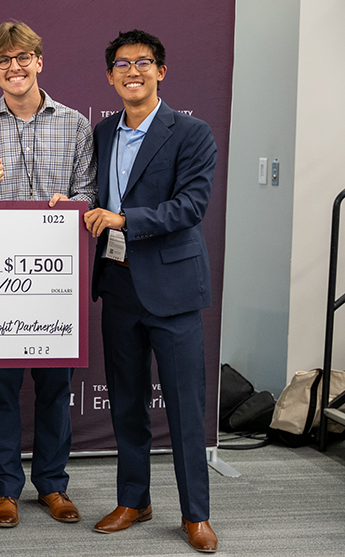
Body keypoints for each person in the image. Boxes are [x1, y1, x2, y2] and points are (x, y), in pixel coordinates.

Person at [83, 29, 218, 553]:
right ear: (110, 74)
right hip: (117, 287)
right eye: (121, 64)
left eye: (143, 63)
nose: (132, 71)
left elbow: (191, 207)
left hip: (174, 289)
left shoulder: (192, 133)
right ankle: (133, 499)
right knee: (127, 402)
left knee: (185, 407)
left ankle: (196, 514)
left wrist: (123, 219)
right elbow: (90, 195)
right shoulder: (102, 132)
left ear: (161, 71)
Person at [0, 20, 96, 529]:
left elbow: (92, 196)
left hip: (59, 281)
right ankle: (5, 491)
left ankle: (54, 486)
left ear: (39, 61)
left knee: (56, 386)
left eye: (23, 58)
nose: (14, 68)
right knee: (1, 388)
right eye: (3, 61)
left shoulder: (77, 124)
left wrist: (75, 204)